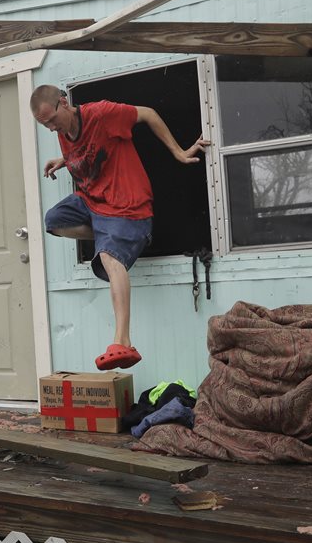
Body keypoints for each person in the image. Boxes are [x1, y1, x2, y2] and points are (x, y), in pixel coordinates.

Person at [30, 84, 208, 370]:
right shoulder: (65, 133)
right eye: (45, 125)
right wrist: (64, 160)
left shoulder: (102, 114)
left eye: (52, 119)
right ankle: (108, 235)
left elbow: (148, 114)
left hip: (128, 207)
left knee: (110, 258)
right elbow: (89, 148)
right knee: (53, 221)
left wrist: (179, 151)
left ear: (64, 103)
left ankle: (122, 341)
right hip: (95, 203)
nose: (51, 128)